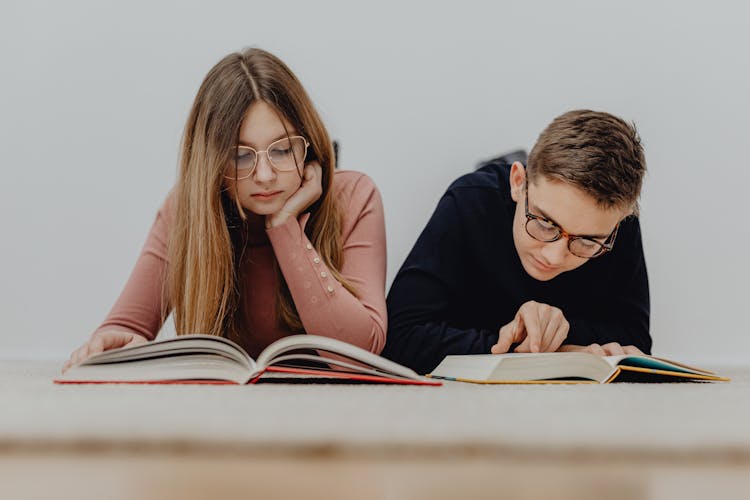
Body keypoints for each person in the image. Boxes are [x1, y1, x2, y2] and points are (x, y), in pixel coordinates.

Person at [64, 48, 387, 370]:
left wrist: (285, 226)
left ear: (309, 144)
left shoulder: (353, 196)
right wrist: (113, 343)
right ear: (213, 163)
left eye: (283, 150)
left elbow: (357, 355)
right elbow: (127, 328)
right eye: (241, 156)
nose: (264, 176)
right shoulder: (186, 210)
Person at [383, 110, 650, 374]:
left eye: (587, 241)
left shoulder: (616, 227)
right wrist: (544, 351)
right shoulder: (471, 200)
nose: (554, 256)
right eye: (545, 223)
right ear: (518, 182)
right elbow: (399, 339)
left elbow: (633, 344)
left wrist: (556, 333)